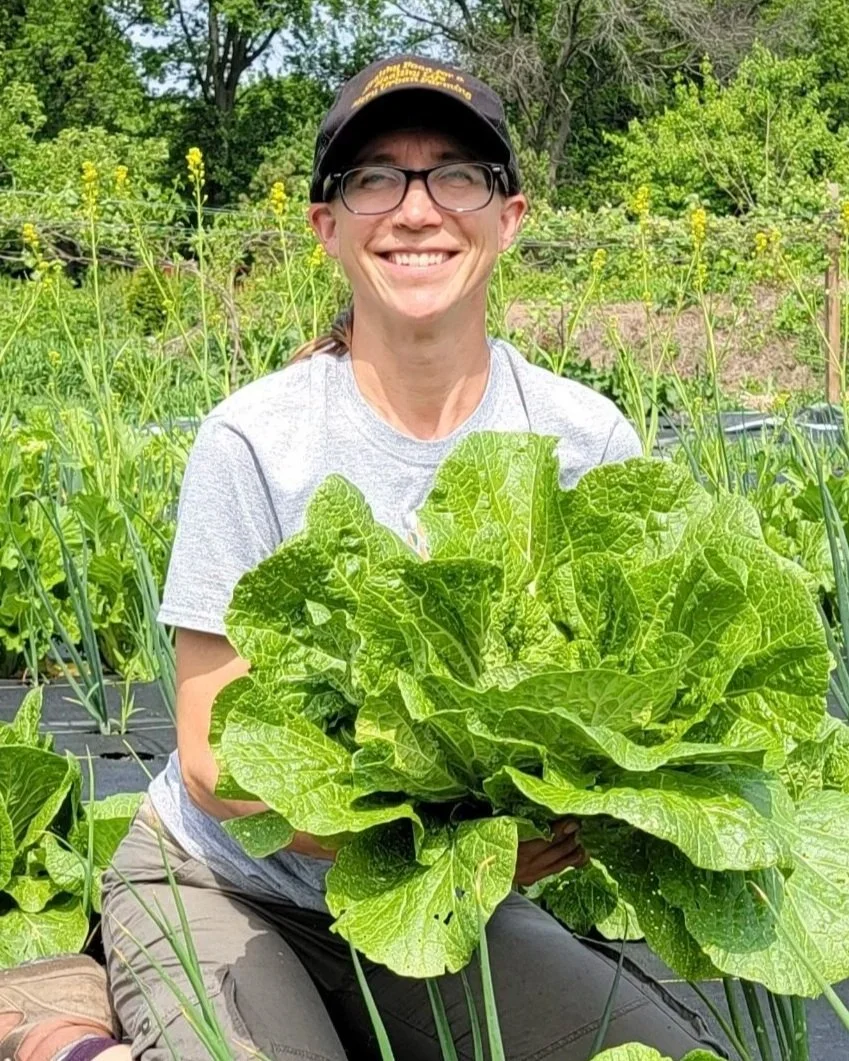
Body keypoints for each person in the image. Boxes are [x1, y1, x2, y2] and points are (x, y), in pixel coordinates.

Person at [0, 54, 722, 1061]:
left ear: (508, 216)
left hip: (437, 903)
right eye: (375, 176)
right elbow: (214, 761)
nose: (416, 209)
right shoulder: (256, 439)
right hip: (232, 879)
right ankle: (63, 1030)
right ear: (326, 225)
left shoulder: (585, 437)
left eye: (456, 173)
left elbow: (643, 683)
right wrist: (463, 855)